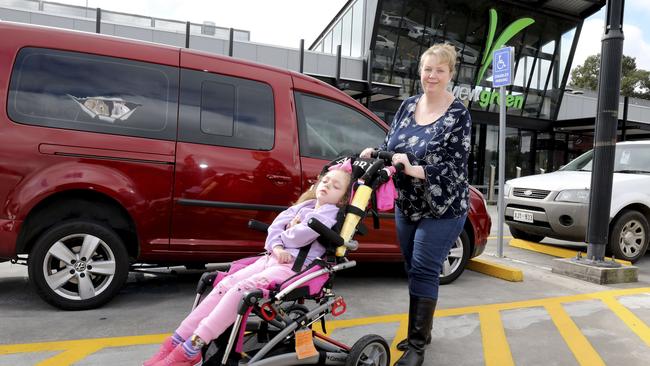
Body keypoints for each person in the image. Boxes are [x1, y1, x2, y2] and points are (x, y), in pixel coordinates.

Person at [142, 164, 353, 366]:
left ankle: (192, 347)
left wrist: (286, 234)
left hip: (294, 269)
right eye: (325, 181)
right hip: (272, 258)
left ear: (342, 199)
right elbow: (275, 228)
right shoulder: (304, 207)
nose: (327, 185)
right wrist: (278, 246)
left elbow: (300, 238)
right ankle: (176, 341)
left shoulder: (329, 214)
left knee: (241, 291)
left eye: (335, 186)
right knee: (225, 285)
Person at [360, 43, 471, 366]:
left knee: (423, 266)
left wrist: (415, 169)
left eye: (439, 70)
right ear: (420, 72)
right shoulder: (408, 106)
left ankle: (417, 346)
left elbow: (455, 167)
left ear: (450, 74)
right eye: (427, 69)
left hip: (443, 206)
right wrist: (376, 153)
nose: (431, 76)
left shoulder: (458, 114)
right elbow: (391, 143)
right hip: (407, 203)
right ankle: (420, 330)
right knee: (412, 267)